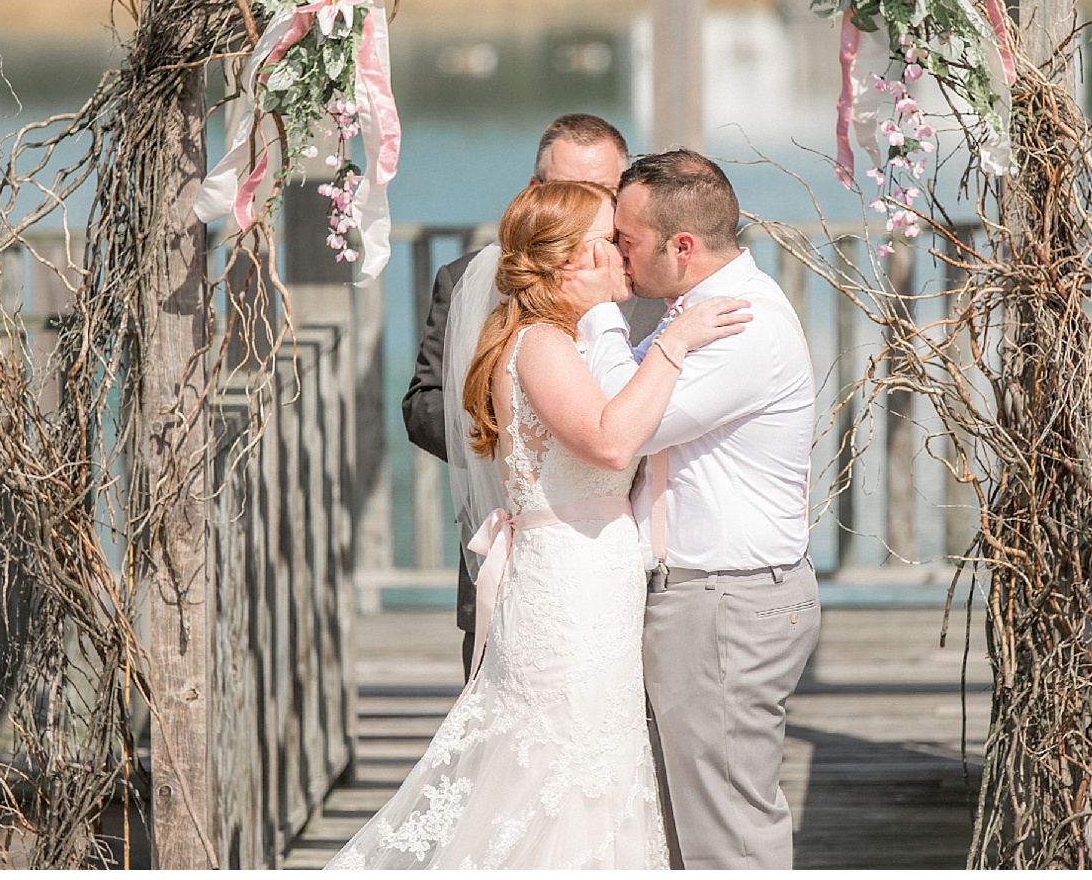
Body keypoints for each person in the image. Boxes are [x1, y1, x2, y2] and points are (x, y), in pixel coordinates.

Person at [329, 180, 751, 869]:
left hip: (590, 582)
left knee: (593, 769)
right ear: (571, 262)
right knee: (563, 771)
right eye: (610, 241)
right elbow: (612, 442)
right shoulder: (543, 345)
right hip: (569, 592)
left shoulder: (566, 341)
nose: (623, 253)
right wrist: (676, 342)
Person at [577, 150, 819, 869]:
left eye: (628, 241)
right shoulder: (694, 314)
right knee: (690, 827)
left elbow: (625, 423)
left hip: (725, 603)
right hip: (710, 598)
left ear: (682, 247)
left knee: (728, 837)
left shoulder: (741, 326)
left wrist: (599, 313)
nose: (619, 255)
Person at [402, 114, 661, 679]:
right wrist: (526, 440)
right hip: (518, 540)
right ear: (534, 192)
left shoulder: (654, 282)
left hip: (628, 562)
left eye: (604, 193)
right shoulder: (464, 278)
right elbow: (424, 404)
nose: (586, 207)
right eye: (566, 189)